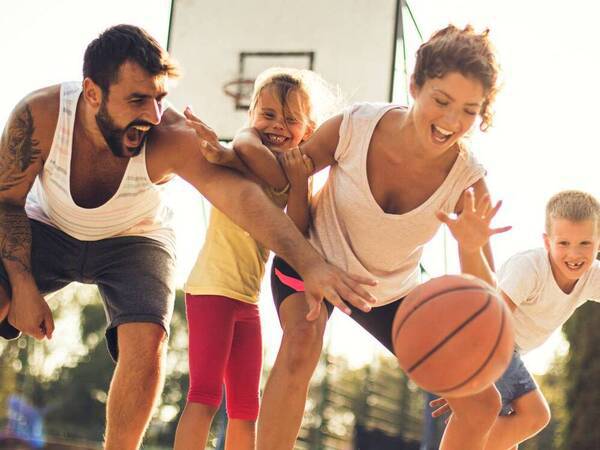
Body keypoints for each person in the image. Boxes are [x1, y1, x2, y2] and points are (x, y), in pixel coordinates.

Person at [0, 25, 376, 450]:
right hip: (47, 227)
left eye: (159, 99)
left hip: (134, 240)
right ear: (92, 93)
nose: (152, 115)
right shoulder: (41, 115)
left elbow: (243, 199)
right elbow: (6, 201)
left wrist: (311, 263)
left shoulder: (169, 135)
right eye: (137, 100)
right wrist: (24, 284)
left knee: (147, 340)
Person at [190, 24, 512, 450]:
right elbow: (286, 173)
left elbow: (484, 297)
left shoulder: (468, 181)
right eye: (442, 101)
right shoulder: (355, 126)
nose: (452, 121)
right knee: (302, 341)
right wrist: (234, 151)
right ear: (415, 86)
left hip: (388, 291)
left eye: (470, 110)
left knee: (482, 403)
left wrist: (471, 248)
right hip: (313, 260)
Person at [174, 68, 325, 450]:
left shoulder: (287, 175)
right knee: (205, 394)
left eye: (291, 119)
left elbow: (297, 232)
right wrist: (221, 152)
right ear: (252, 116)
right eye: (268, 114)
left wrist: (300, 182)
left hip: (246, 300)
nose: (277, 125)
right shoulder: (243, 148)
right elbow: (245, 150)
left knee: (245, 407)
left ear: (308, 130)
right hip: (211, 289)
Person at [430, 190, 600, 449]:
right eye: (563, 243)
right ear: (547, 242)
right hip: (487, 342)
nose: (574, 255)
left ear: (597, 244)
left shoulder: (590, 276)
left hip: (508, 351)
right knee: (535, 414)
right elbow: (488, 319)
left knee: (511, 435)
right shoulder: (530, 269)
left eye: (584, 244)